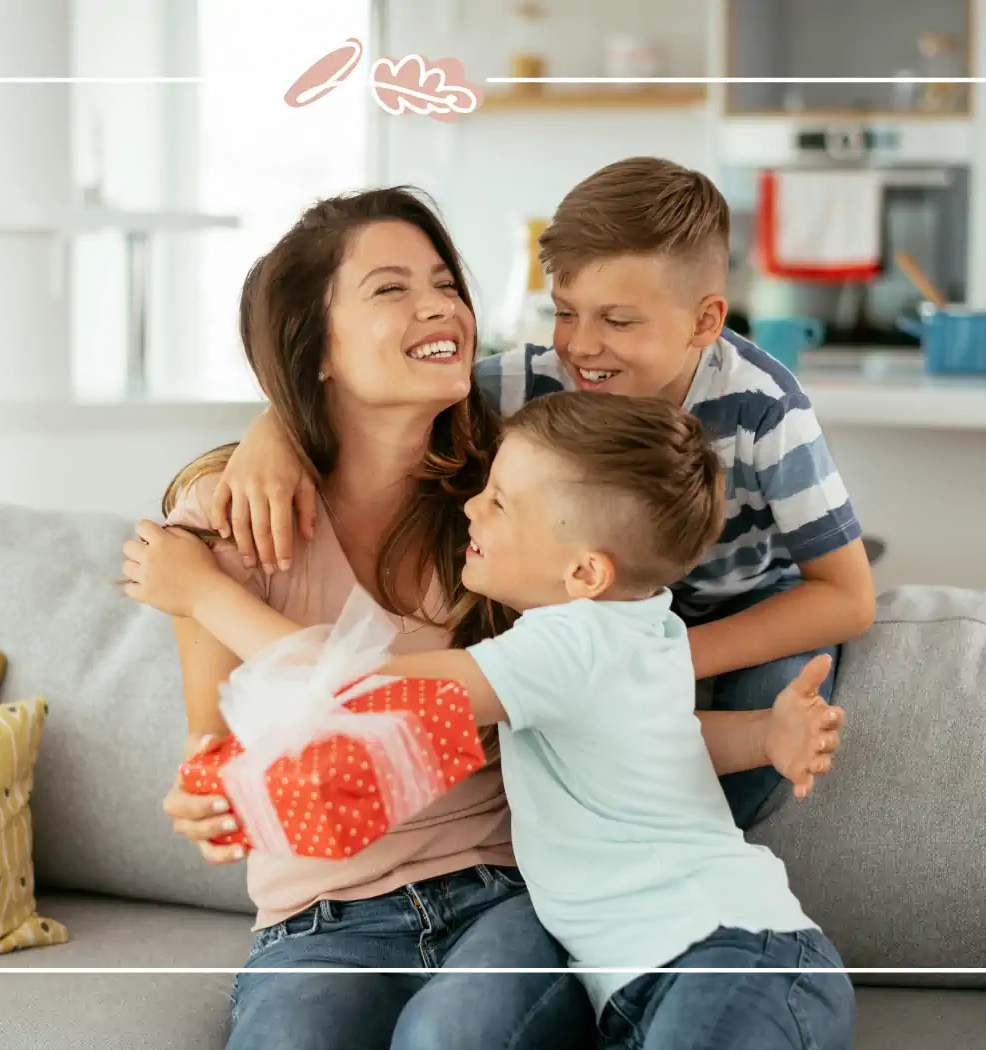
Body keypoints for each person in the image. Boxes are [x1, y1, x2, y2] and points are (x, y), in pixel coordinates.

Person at [119, 187, 843, 1050]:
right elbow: (217, 749)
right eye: (390, 289)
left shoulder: (500, 507)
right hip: (321, 920)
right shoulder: (228, 516)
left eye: (444, 283)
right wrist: (208, 797)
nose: (438, 307)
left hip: (501, 895)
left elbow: (615, 686)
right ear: (313, 346)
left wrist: (205, 585)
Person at [194, 157, 876, 828]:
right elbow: (393, 391)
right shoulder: (529, 384)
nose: (582, 347)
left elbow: (847, 596)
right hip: (595, 620)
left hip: (735, 611)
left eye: (618, 320)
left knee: (752, 730)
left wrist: (663, 661)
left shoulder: (766, 408)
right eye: (566, 313)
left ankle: (665, 860)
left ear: (705, 322)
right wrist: (274, 429)